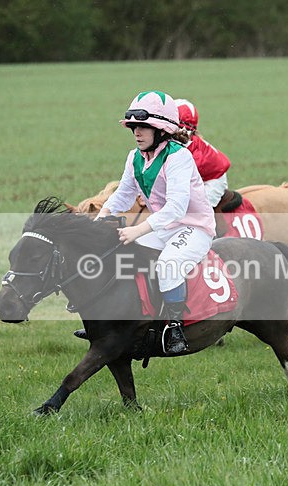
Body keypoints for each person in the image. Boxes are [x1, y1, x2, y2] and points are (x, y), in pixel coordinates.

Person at [84, 91, 216, 354]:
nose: (137, 132)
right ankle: (116, 323)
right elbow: (123, 194)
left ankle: (176, 328)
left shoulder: (179, 157)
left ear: (162, 130)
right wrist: (100, 218)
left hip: (194, 228)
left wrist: (138, 230)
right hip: (165, 227)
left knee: (168, 264)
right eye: (133, 127)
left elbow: (177, 208)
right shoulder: (134, 157)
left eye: (143, 126)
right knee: (119, 251)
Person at [174, 98, 231, 209]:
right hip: (200, 178)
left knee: (198, 211)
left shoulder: (192, 150)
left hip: (214, 180)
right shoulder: (183, 143)